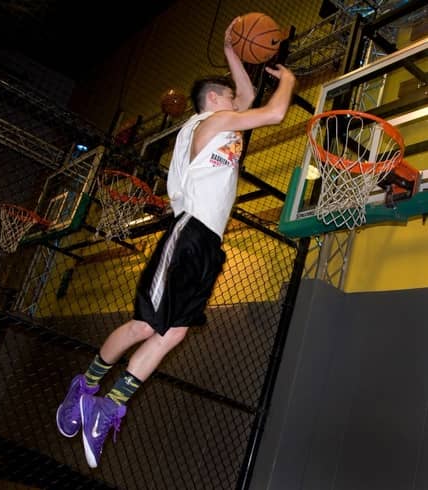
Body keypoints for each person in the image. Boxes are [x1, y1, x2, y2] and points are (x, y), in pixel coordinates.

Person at [56, 18, 296, 469]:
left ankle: (109, 407)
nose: (237, 101)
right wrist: (291, 81)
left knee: (176, 331)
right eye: (227, 95)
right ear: (212, 100)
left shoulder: (219, 122)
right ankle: (85, 387)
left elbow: (244, 98)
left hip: (207, 242)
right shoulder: (210, 121)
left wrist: (230, 50)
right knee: (146, 326)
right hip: (187, 234)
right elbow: (272, 112)